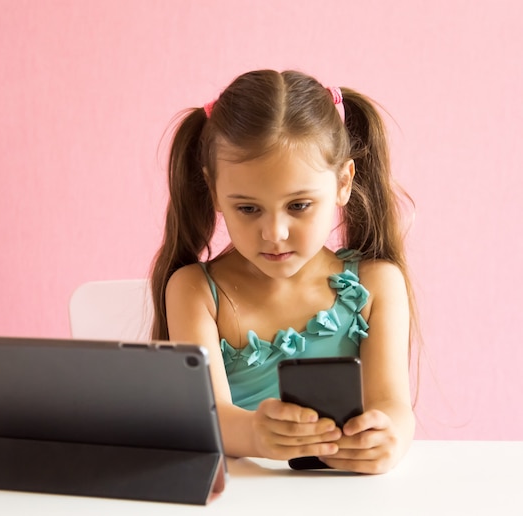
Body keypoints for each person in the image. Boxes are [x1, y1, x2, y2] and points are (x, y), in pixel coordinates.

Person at [150, 69, 416, 474]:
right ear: (215, 191)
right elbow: (206, 417)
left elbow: (393, 405)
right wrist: (256, 435)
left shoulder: (376, 285)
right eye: (248, 208)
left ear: (344, 182)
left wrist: (386, 438)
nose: (274, 233)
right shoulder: (195, 291)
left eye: (299, 205)